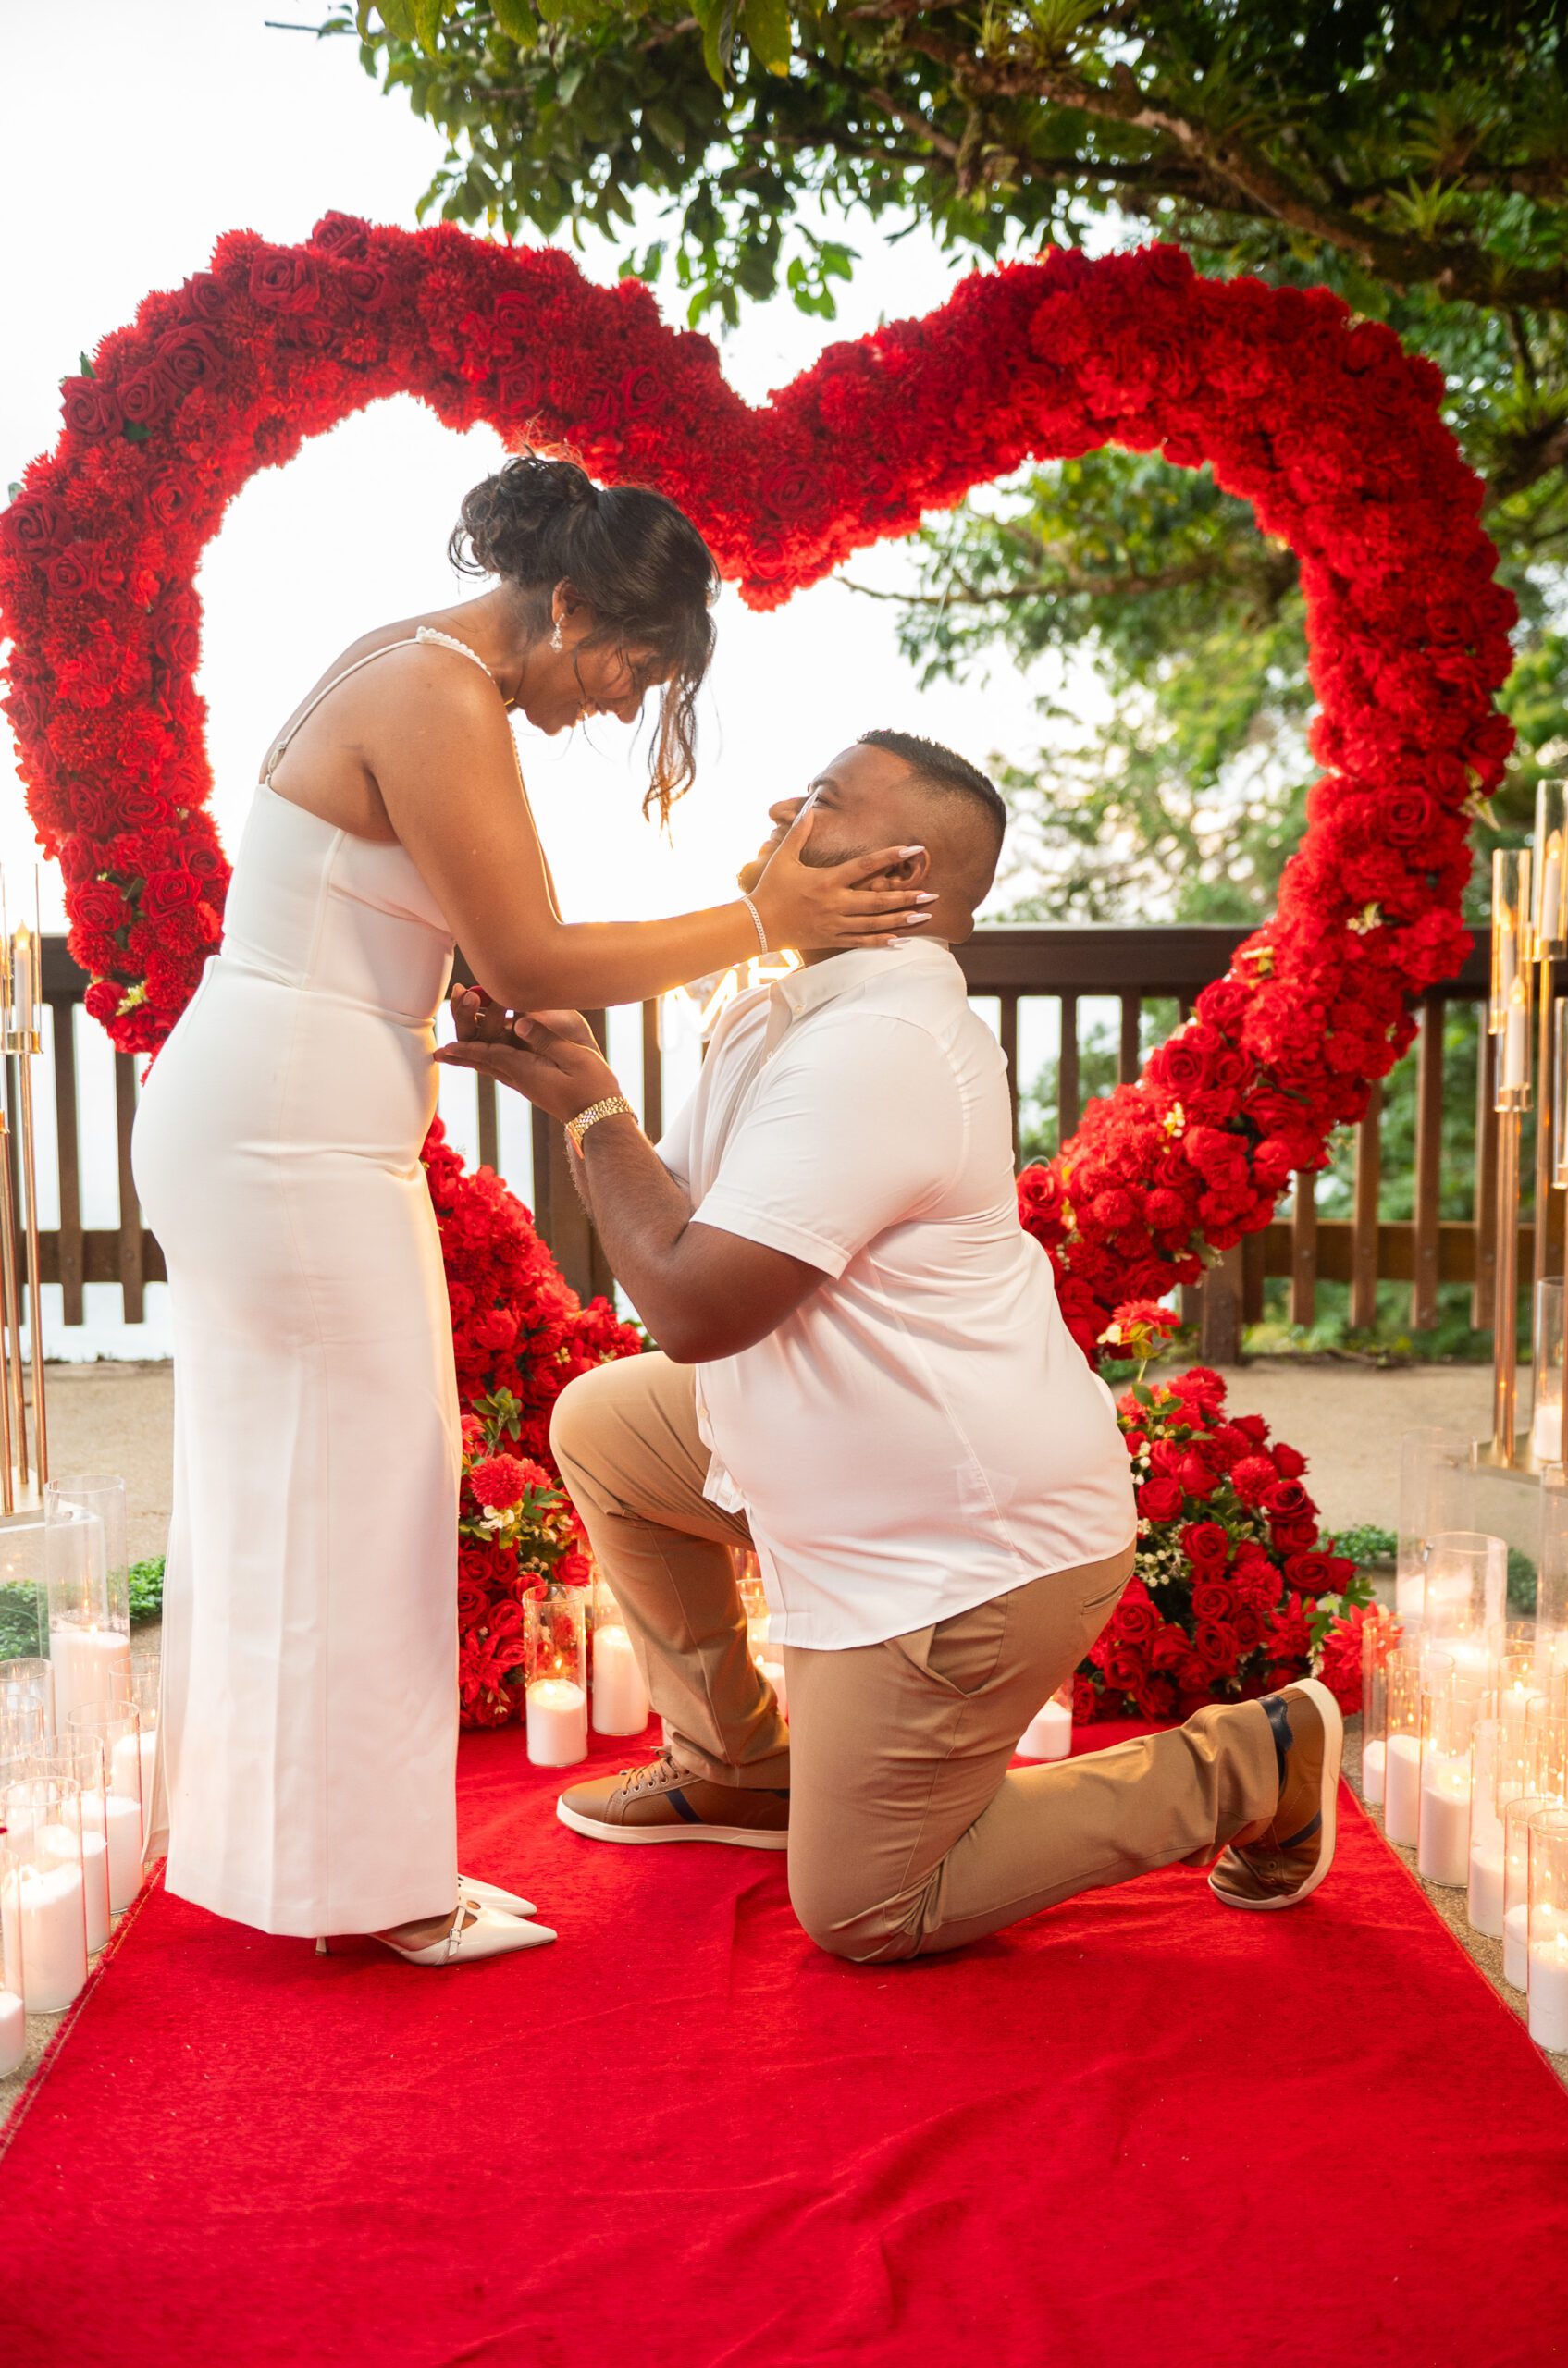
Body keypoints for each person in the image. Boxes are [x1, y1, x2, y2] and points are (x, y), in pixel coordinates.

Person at [131, 459, 934, 1970]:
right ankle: (378, 1892)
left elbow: (465, 944)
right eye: (635, 664)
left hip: (274, 1114)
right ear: (569, 604)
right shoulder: (438, 692)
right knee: (362, 1496)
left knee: (291, 1492)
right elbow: (535, 947)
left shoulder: (412, 669)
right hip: (290, 1137)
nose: (626, 704)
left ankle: (308, 1874)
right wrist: (781, 917)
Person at [438, 728, 1344, 1963]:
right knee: (602, 1422)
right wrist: (586, 1077)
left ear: (901, 875)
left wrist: (590, 1106)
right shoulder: (788, 1007)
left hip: (965, 1546)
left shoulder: (880, 1047)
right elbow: (683, 1222)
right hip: (850, 1468)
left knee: (865, 1910)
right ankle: (735, 1768)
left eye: (818, 801)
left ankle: (1251, 1758)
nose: (778, 806)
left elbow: (697, 1305)